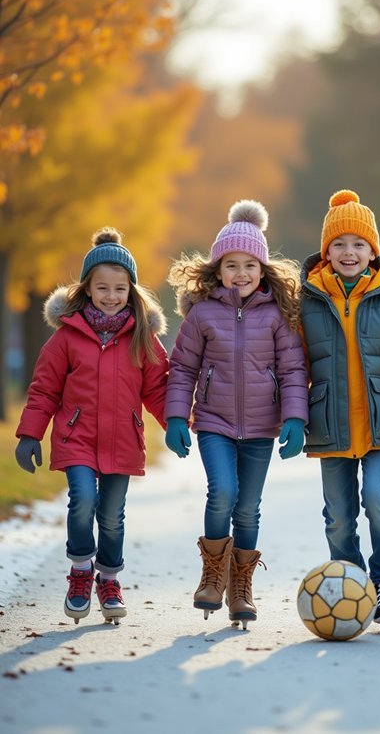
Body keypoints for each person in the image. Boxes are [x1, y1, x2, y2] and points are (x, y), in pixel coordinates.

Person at [164, 199, 308, 629]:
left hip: (263, 425)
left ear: (263, 270)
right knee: (222, 491)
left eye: (250, 264)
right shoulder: (202, 313)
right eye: (231, 264)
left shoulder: (277, 316)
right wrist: (176, 417)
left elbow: (293, 368)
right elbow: (184, 366)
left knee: (248, 508)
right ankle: (212, 576)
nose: (241, 273)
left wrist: (296, 419)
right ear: (217, 269)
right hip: (214, 421)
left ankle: (240, 586)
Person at [15, 228, 169, 625]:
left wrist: (176, 423)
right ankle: (81, 572)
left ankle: (109, 579)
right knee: (83, 500)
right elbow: (44, 388)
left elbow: (157, 388)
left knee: (113, 516)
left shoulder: (142, 337)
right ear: (86, 289)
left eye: (120, 288)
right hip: (76, 437)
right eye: (102, 287)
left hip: (122, 440)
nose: (111, 296)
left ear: (131, 291)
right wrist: (30, 433)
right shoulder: (67, 337)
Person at [299, 189, 380, 631]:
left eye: (359, 245)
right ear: (326, 252)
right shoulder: (309, 302)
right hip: (331, 423)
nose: (349, 252)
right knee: (338, 514)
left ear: (373, 251)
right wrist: (295, 411)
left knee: (378, 498)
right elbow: (293, 360)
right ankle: (351, 579)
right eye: (339, 244)